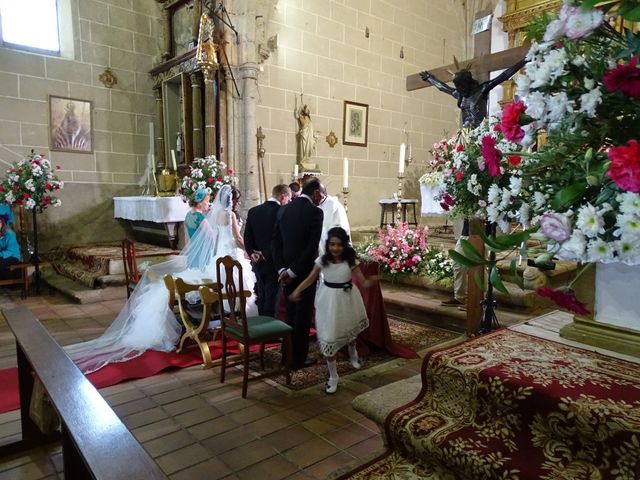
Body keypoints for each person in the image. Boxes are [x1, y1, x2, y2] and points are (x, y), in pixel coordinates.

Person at [65, 185, 258, 374]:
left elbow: (201, 238)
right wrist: (246, 251)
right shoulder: (223, 215)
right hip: (226, 253)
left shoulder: (202, 215)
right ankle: (231, 321)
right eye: (206, 200)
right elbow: (221, 237)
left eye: (210, 200)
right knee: (229, 283)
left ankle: (213, 318)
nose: (209, 203)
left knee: (213, 281)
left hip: (212, 256)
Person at [289, 227, 374, 394]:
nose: (335, 248)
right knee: (329, 337)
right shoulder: (322, 261)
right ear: (328, 244)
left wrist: (373, 280)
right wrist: (297, 290)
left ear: (345, 245)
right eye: (332, 244)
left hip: (347, 299)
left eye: (339, 245)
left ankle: (352, 351)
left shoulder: (351, 261)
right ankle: (333, 376)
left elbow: (363, 283)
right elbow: (310, 279)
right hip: (328, 301)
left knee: (349, 330)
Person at [272, 178, 324, 370]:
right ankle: (298, 360)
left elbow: (275, 243)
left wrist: (282, 270)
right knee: (302, 318)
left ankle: (287, 354)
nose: (322, 198)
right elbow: (312, 248)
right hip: (304, 273)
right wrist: (294, 271)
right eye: (322, 194)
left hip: (285, 273)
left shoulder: (284, 208)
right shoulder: (316, 212)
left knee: (290, 314)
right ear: (316, 192)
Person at [420, 59, 526, 128]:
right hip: (465, 134)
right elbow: (443, 88)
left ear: (467, 83)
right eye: (458, 87)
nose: (460, 89)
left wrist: (523, 62)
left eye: (462, 86)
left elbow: (503, 76)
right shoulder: (459, 94)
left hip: (479, 133)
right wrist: (429, 78)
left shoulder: (482, 89)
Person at [244, 184, 292, 317]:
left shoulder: (254, 211)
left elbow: (247, 236)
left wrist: (252, 253)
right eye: (289, 198)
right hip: (274, 262)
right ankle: (269, 331)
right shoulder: (282, 212)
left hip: (257, 262)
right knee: (272, 297)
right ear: (283, 196)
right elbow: (282, 239)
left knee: (262, 294)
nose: (289, 202)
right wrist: (266, 255)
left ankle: (262, 326)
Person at [319, 185, 350, 255]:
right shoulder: (317, 204)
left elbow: (341, 228)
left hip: (334, 246)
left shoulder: (335, 206)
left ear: (321, 194)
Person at [294, 95, 316, 166]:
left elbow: (311, 127)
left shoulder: (308, 118)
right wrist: (296, 108)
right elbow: (297, 116)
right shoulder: (302, 117)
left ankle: (307, 158)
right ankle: (304, 159)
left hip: (309, 134)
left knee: (309, 147)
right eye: (303, 109)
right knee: (304, 147)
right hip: (304, 134)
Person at [0, 214, 20, 280]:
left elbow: (10, 251)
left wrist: (0, 254)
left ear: (2, 223)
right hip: (2, 256)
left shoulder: (10, 234)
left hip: (13, 256)